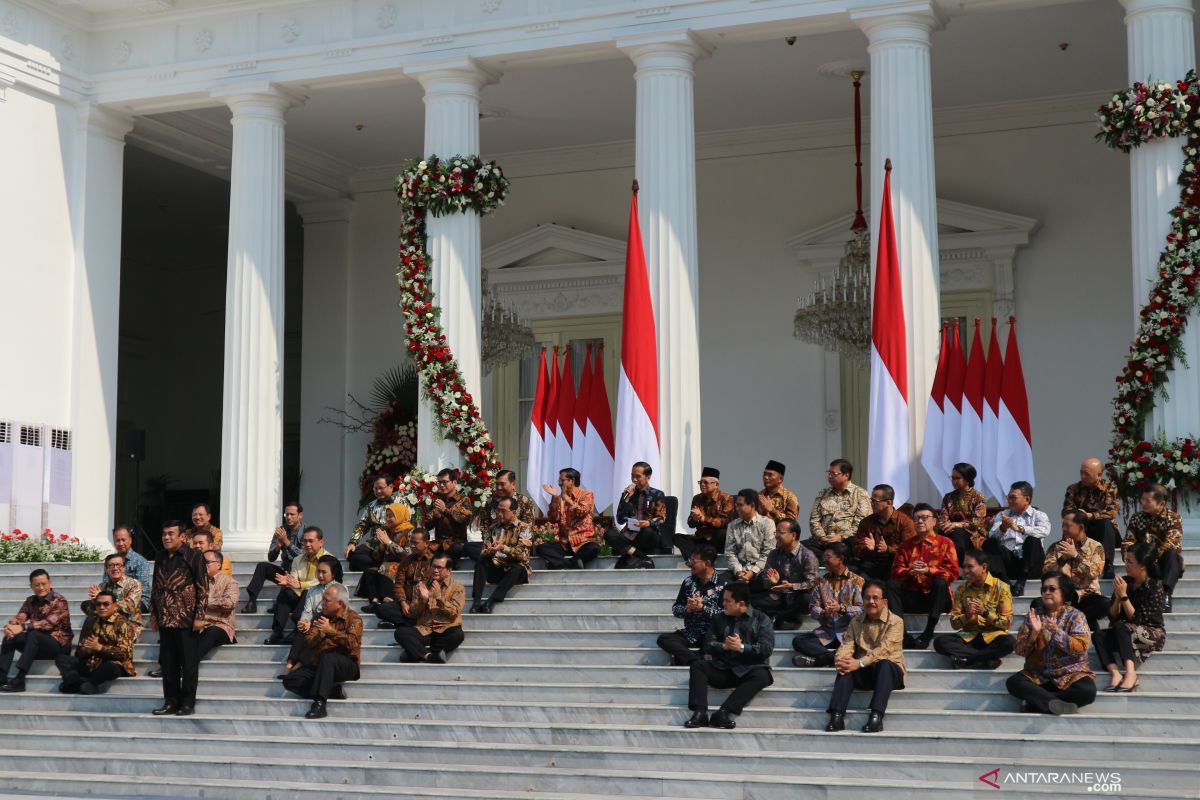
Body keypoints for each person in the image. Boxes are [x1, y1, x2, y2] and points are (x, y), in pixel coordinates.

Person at [682, 582, 774, 730]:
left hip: (748, 670)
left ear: (741, 603)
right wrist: (723, 646)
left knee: (763, 675)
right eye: (723, 600)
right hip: (723, 669)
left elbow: (766, 649)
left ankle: (724, 713)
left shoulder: (761, 619)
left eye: (727, 601)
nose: (723, 604)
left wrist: (741, 647)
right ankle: (700, 713)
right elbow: (707, 644)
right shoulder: (719, 618)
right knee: (698, 665)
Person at [1005, 572, 1096, 715]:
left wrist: (1055, 631)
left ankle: (1037, 703)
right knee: (1013, 682)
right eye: (1044, 589)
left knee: (1088, 691)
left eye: (1052, 589)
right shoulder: (1034, 616)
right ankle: (1055, 704)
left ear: (1063, 592)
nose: (1046, 592)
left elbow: (1080, 648)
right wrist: (1034, 634)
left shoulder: (1076, 616)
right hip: (1039, 676)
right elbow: (1020, 651)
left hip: (1070, 674)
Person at [824, 579, 905, 733]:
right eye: (867, 598)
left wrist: (859, 663)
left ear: (885, 602)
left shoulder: (896, 622)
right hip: (866, 671)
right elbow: (847, 644)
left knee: (884, 664)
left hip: (890, 673)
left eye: (875, 598)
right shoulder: (856, 621)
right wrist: (840, 661)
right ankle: (837, 715)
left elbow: (884, 650)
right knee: (846, 664)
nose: (871, 601)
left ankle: (876, 716)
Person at [150, 521, 208, 716]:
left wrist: (199, 616)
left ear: (182, 536)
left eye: (171, 534)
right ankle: (170, 701)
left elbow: (202, 587)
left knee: (188, 664)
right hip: (166, 618)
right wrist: (154, 614)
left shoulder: (194, 556)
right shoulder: (160, 557)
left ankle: (187, 703)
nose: (166, 537)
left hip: (186, 618)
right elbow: (155, 587)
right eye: (164, 534)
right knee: (168, 664)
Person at [281, 583, 362, 719]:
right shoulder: (320, 617)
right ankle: (331, 690)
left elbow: (353, 644)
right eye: (322, 599)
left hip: (346, 664)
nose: (322, 603)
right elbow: (308, 642)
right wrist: (318, 633)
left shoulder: (354, 619)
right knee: (290, 680)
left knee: (328, 657)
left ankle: (320, 704)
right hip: (320, 665)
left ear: (340, 604)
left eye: (327, 601)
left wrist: (331, 631)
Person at [886, 503, 959, 650]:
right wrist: (909, 572)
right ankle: (903, 635)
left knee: (940, 582)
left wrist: (929, 570)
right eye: (916, 518)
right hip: (913, 596)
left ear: (934, 521)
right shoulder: (906, 545)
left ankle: (928, 632)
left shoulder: (945, 543)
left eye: (924, 518)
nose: (920, 521)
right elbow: (896, 571)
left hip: (936, 598)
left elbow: (953, 572)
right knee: (891, 585)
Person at [1096, 543, 1166, 693]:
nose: (1125, 564)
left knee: (1121, 627)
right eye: (1125, 560)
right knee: (1099, 635)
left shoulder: (1155, 586)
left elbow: (1138, 620)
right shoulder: (1126, 582)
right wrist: (1117, 597)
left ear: (1142, 565)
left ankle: (1131, 672)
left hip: (1151, 632)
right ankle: (1115, 673)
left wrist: (1124, 596)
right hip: (1125, 631)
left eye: (1130, 561)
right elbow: (1113, 616)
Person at [932, 549, 1014, 669]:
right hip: (969, 636)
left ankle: (967, 660)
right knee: (940, 642)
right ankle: (987, 659)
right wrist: (968, 615)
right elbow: (954, 623)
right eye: (964, 567)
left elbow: (1006, 623)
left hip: (993, 636)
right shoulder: (961, 589)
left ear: (984, 567)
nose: (965, 571)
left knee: (1009, 642)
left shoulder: (1002, 588)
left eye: (970, 567)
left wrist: (984, 612)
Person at [791, 542, 864, 668]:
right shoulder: (821, 581)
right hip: (827, 632)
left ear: (840, 558)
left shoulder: (858, 581)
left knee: (861, 645)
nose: (824, 560)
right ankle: (831, 658)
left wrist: (841, 608)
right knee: (798, 641)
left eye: (828, 557)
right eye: (824, 557)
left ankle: (819, 661)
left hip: (850, 633)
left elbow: (862, 609)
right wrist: (824, 612)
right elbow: (813, 607)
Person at [0, 569, 72, 693]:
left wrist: (23, 627)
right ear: (31, 586)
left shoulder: (60, 601)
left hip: (58, 645)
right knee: (10, 636)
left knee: (33, 633)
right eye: (37, 585)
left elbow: (48, 624)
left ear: (50, 583)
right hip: (34, 645)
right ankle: (1, 677)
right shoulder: (30, 600)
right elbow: (21, 617)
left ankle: (20, 679)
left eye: (43, 584)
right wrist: (11, 626)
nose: (41, 587)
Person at [54, 591, 137, 695]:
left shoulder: (123, 624)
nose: (102, 607)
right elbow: (80, 650)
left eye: (106, 604)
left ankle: (80, 684)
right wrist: (86, 650)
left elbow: (125, 654)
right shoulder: (92, 621)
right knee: (62, 659)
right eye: (98, 604)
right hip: (92, 663)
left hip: (113, 664)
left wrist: (100, 648)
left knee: (111, 668)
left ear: (115, 606)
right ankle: (80, 684)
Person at [657, 547, 728, 666]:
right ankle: (697, 659)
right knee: (664, 640)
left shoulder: (724, 584)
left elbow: (727, 614)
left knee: (719, 646)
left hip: (713, 634)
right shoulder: (688, 582)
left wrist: (703, 608)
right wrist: (687, 609)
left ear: (707, 563)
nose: (690, 565)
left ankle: (686, 659)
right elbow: (676, 609)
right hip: (691, 633)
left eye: (694, 562)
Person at [262, 527, 331, 645]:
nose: (307, 544)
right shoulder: (297, 559)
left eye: (311, 541)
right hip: (300, 591)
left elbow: (322, 581)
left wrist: (300, 584)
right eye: (305, 541)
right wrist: (288, 581)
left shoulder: (328, 559)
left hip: (319, 593)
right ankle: (277, 632)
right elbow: (294, 579)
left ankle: (297, 632)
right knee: (285, 593)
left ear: (321, 542)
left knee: (308, 592)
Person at [1123, 483, 1185, 612]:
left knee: (1172, 553)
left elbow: (1171, 542)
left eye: (1147, 501)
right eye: (1142, 499)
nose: (1143, 503)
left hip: (1164, 563)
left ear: (1161, 504)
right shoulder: (1136, 518)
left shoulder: (1174, 518)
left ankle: (1166, 594)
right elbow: (1128, 541)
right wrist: (1130, 556)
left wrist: (1150, 558)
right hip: (1143, 563)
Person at [1043, 511, 1108, 631]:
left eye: (1067, 525)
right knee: (1037, 604)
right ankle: (1083, 621)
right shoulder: (1055, 547)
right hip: (1063, 597)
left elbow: (1094, 572)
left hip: (1086, 596)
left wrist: (1076, 555)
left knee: (1104, 604)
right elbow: (1046, 573)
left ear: (1081, 527)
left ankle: (1072, 621)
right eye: (1063, 525)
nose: (1063, 528)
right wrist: (1063, 559)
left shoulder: (1095, 546)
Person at [395, 554, 466, 663]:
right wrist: (423, 600)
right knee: (400, 632)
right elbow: (413, 614)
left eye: (439, 568)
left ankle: (417, 653)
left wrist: (438, 597)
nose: (435, 570)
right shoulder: (423, 585)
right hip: (425, 629)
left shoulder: (458, 587)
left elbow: (454, 612)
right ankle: (429, 656)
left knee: (458, 635)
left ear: (449, 570)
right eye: (433, 566)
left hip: (445, 629)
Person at [749, 519, 818, 630]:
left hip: (796, 598)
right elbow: (766, 578)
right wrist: (772, 582)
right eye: (776, 532)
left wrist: (791, 586)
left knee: (807, 600)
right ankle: (785, 619)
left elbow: (811, 584)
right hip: (778, 596)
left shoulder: (808, 556)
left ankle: (779, 617)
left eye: (780, 533)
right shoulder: (774, 553)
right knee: (751, 597)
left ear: (793, 535)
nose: (776, 536)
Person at [984, 481, 1050, 597]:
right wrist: (1003, 527)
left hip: (1030, 566)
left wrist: (1020, 528)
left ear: (1027, 500)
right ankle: (1006, 583)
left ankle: (1021, 582)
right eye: (1008, 497)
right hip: (1009, 564)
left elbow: (1044, 530)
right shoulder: (1002, 515)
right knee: (989, 543)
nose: (1010, 501)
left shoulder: (1039, 515)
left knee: (1033, 540)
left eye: (1013, 498)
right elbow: (992, 536)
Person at [282, 555, 343, 676]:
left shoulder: (341, 589)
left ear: (333, 574)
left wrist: (314, 622)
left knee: (316, 632)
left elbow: (338, 614)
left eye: (324, 572)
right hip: (314, 623)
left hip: (330, 626)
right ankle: (289, 665)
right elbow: (307, 611)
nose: (320, 575)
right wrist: (304, 621)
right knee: (301, 630)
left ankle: (299, 665)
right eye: (318, 571)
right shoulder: (312, 590)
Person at [470, 496, 532, 614]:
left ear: (513, 512)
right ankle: (476, 602)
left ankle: (491, 601)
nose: (499, 513)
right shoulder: (493, 528)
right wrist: (491, 551)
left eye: (503, 511)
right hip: (498, 567)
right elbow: (483, 551)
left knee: (517, 568)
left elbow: (523, 555)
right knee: (481, 562)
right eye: (498, 510)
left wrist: (503, 548)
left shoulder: (524, 528)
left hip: (515, 571)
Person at [1062, 457, 1121, 579]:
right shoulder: (1073, 489)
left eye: (1086, 474)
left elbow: (1111, 512)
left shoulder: (1110, 489)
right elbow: (1067, 510)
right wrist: (1080, 516)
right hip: (1081, 528)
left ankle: (1108, 564)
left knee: (1105, 523)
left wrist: (1091, 516)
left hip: (1103, 531)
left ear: (1099, 475)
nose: (1082, 476)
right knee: (1070, 524)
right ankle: (1064, 564)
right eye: (1081, 472)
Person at [803, 459, 871, 559]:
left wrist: (841, 537)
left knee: (852, 547)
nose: (829, 476)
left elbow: (861, 523)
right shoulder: (823, 494)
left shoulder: (860, 494)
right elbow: (814, 520)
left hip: (845, 542)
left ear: (846, 475)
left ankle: (831, 558)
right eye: (828, 473)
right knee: (798, 547)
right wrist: (822, 537)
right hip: (823, 542)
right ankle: (829, 558)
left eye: (833, 474)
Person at [353, 502, 414, 611]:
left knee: (386, 567)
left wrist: (389, 543)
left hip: (404, 565)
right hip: (386, 564)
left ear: (400, 515)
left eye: (391, 516)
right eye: (387, 516)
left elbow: (408, 555)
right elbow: (376, 556)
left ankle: (388, 599)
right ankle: (374, 601)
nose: (388, 519)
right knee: (370, 571)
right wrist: (381, 547)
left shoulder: (409, 531)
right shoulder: (386, 530)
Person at [850, 484, 916, 580]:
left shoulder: (905, 522)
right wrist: (868, 549)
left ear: (888, 502)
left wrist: (888, 549)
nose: (872, 503)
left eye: (875, 501)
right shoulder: (866, 522)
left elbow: (909, 550)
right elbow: (856, 548)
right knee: (853, 568)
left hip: (894, 563)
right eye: (871, 500)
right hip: (872, 562)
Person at [608, 462, 667, 568]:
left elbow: (661, 519)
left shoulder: (657, 494)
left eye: (638, 476)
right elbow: (620, 520)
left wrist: (648, 523)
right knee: (609, 534)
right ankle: (643, 557)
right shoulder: (626, 495)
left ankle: (626, 556)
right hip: (630, 532)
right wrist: (625, 500)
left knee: (646, 531)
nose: (634, 479)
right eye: (632, 476)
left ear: (648, 477)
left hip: (648, 533)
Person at [538, 468, 599, 569]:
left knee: (593, 549)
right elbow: (553, 519)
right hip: (565, 543)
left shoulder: (586, 495)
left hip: (583, 541)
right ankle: (570, 565)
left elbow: (582, 511)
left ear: (572, 481)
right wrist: (554, 497)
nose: (559, 483)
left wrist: (567, 498)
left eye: (562, 480)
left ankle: (560, 564)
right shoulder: (559, 498)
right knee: (541, 548)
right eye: (559, 480)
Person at [375, 530, 433, 629]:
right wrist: (403, 602)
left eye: (416, 543)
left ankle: (403, 623)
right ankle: (409, 622)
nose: (412, 546)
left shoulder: (434, 561)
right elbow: (399, 584)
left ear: (426, 543)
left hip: (425, 604)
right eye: (411, 542)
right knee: (380, 609)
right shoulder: (406, 561)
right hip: (408, 603)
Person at [346, 473, 401, 572]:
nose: (378, 491)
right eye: (375, 489)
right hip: (374, 546)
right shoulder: (371, 506)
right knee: (351, 554)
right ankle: (377, 568)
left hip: (394, 543)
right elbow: (361, 526)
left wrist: (389, 541)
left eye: (381, 488)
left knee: (354, 566)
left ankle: (376, 567)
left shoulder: (401, 502)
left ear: (391, 487)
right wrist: (352, 543)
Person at [677, 467, 734, 561]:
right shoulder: (697, 498)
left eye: (706, 482)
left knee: (722, 534)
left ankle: (699, 554)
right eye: (700, 482)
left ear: (716, 484)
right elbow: (690, 524)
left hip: (715, 538)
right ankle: (692, 558)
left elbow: (725, 522)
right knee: (677, 537)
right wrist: (695, 519)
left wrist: (704, 518)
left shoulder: (726, 498)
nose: (702, 485)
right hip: (700, 537)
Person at [937, 462, 989, 564]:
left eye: (957, 478)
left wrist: (957, 524)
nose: (953, 481)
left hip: (972, 533)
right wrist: (946, 524)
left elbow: (977, 522)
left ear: (967, 478)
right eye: (952, 478)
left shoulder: (978, 496)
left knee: (957, 532)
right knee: (942, 533)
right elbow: (943, 517)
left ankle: (960, 566)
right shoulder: (948, 497)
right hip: (951, 530)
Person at [475, 470, 538, 550]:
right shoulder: (490, 502)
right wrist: (490, 541)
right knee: (470, 547)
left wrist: (503, 545)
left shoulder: (525, 502)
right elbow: (484, 526)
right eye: (497, 484)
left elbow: (527, 528)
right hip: (493, 544)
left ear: (513, 484)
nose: (498, 487)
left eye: (502, 484)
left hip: (515, 547)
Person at [81, 553, 143, 632]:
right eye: (111, 565)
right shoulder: (103, 586)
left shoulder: (134, 584)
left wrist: (101, 597)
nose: (115, 568)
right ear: (107, 569)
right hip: (107, 623)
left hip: (128, 625)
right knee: (87, 606)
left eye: (118, 565)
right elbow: (100, 608)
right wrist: (95, 600)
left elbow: (129, 607)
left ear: (123, 568)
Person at [725, 489, 775, 584]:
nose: (737, 508)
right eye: (736, 505)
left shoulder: (767, 523)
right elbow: (730, 553)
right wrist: (739, 572)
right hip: (739, 572)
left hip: (760, 571)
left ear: (752, 505)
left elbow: (768, 553)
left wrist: (752, 572)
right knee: (722, 583)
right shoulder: (732, 525)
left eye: (740, 505)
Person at [196, 550, 238, 661]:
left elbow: (230, 603)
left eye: (207, 562)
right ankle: (167, 667)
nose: (204, 565)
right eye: (202, 562)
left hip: (220, 626)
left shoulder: (229, 582)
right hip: (197, 625)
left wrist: (204, 600)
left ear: (218, 565)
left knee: (211, 632)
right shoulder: (196, 582)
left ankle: (184, 666)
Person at [425, 468, 474, 566]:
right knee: (422, 549)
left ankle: (442, 563)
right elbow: (427, 525)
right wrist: (437, 517)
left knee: (456, 549)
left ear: (454, 482)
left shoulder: (464, 500)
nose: (441, 485)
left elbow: (465, 520)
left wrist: (445, 511)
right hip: (438, 543)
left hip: (457, 542)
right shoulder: (437, 501)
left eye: (445, 482)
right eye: (439, 483)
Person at [111, 526, 151, 613]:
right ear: (114, 541)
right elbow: (107, 583)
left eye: (123, 540)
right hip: (116, 598)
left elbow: (142, 590)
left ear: (130, 540)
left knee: (121, 607)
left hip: (137, 600)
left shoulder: (140, 561)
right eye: (118, 540)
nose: (121, 543)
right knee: (88, 605)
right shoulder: (111, 561)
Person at [267, 502, 306, 572]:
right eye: (286, 514)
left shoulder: (307, 531)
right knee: (262, 567)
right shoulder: (281, 531)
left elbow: (303, 557)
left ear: (300, 515)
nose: (288, 517)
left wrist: (286, 542)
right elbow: (271, 558)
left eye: (292, 514)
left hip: (300, 570)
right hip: (285, 568)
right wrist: (277, 547)